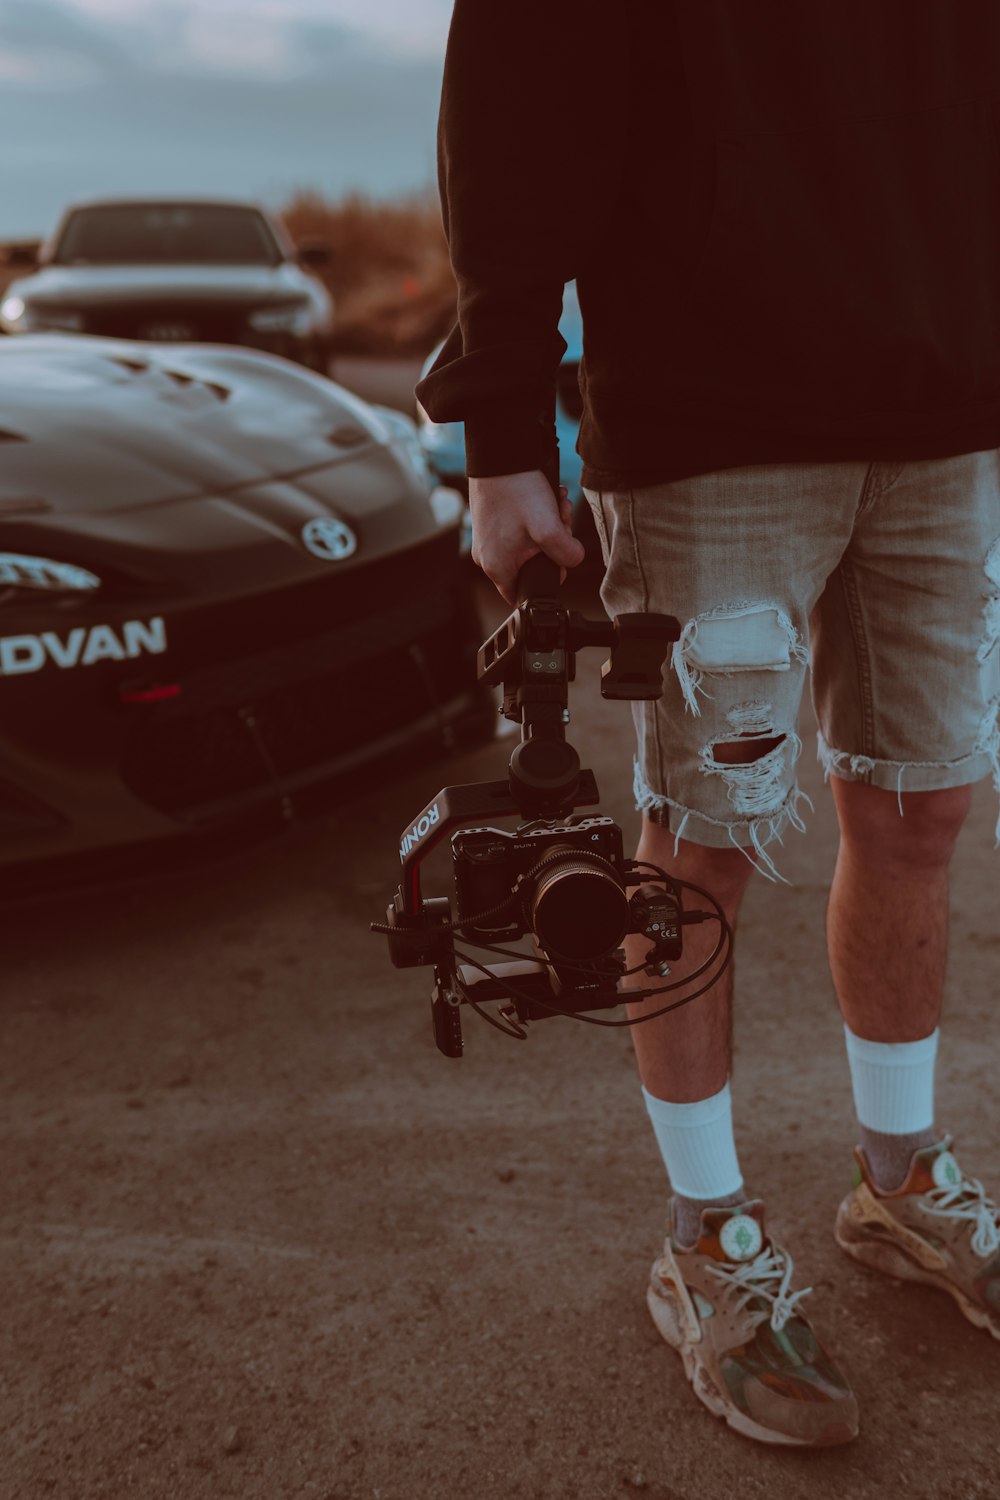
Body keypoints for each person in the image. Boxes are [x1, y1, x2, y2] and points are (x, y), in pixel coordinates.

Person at [415, 1, 1000, 1448]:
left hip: (948, 407)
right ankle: (707, 1238)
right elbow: (511, 118)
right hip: (710, 418)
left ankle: (902, 1182)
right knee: (704, 850)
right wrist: (502, 437)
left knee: (922, 809)